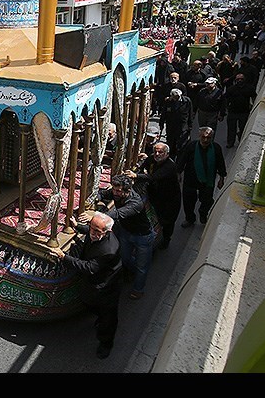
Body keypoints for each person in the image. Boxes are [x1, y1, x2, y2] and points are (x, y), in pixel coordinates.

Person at [50, 211, 122, 359]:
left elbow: (89, 267)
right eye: (91, 228)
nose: (92, 232)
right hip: (94, 285)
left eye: (97, 230)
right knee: (91, 303)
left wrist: (64, 257)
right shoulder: (96, 233)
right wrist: (78, 226)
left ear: (107, 231)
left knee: (108, 319)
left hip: (106, 288)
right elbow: (90, 231)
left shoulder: (108, 249)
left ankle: (106, 344)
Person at [94, 173, 153, 301]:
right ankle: (133, 272)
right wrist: (98, 198)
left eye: (118, 191)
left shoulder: (135, 203)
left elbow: (117, 214)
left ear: (127, 190)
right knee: (125, 258)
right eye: (114, 189)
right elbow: (103, 194)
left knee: (142, 267)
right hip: (127, 233)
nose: (115, 193)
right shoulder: (116, 193)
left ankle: (138, 289)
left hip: (142, 237)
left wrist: (96, 216)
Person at [126, 143, 180, 250]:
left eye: (160, 152)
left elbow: (153, 177)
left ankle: (165, 240)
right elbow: (144, 166)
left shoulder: (170, 166)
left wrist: (136, 176)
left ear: (167, 154)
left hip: (169, 199)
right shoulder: (152, 159)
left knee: (167, 221)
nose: (157, 154)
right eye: (155, 151)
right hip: (155, 196)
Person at [178, 127, 227, 227]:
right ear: (199, 136)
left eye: (208, 138)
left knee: (207, 200)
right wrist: (178, 174)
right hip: (191, 179)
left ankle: (203, 214)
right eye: (203, 137)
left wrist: (221, 179)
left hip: (207, 181)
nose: (205, 140)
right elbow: (183, 160)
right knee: (188, 201)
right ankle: (190, 219)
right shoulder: (191, 146)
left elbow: (221, 164)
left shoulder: (216, 148)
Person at [224, 73, 257, 148]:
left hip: (244, 112)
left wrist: (253, 106)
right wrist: (226, 108)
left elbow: (254, 97)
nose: (240, 81)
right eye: (238, 79)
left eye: (241, 79)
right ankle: (230, 142)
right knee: (231, 129)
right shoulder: (231, 89)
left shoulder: (249, 88)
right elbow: (226, 98)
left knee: (243, 128)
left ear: (244, 80)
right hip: (232, 112)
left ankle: (240, 139)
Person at [160, 88, 192, 160]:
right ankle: (170, 159)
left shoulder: (187, 101)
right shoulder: (168, 101)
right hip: (171, 126)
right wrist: (161, 123)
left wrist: (190, 126)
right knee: (171, 144)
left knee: (181, 145)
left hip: (182, 126)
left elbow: (190, 114)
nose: (174, 98)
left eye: (176, 97)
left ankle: (180, 160)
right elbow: (164, 113)